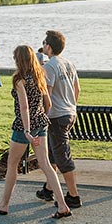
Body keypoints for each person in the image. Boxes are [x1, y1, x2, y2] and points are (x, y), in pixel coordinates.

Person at [0, 45, 72, 219]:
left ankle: (3, 204)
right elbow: (48, 103)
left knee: (12, 164)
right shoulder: (40, 75)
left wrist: (26, 130)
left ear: (19, 59)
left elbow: (24, 107)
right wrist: (41, 118)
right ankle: (62, 205)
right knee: (46, 164)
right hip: (41, 123)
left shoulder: (19, 79)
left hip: (23, 126)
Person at [36, 30, 82, 208]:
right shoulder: (69, 64)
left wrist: (43, 114)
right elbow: (77, 89)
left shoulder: (50, 67)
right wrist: (71, 105)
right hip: (70, 112)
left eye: (44, 42)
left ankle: (73, 196)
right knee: (53, 155)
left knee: (62, 157)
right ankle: (48, 189)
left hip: (56, 116)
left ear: (49, 46)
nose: (43, 45)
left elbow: (45, 94)